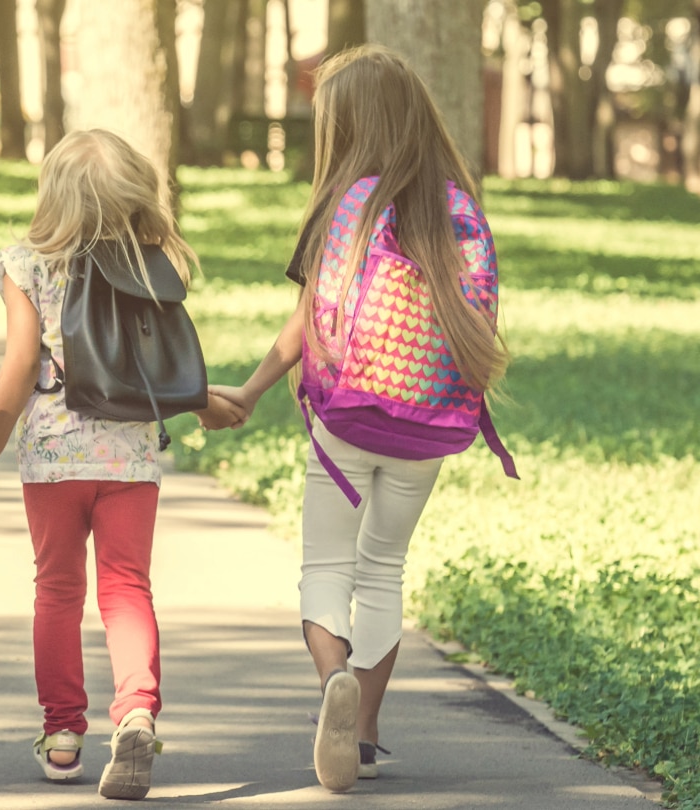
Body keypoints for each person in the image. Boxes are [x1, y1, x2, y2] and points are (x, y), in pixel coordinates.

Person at [210, 46, 511, 793]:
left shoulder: (348, 204)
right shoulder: (456, 205)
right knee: (384, 569)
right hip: (429, 422)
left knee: (326, 565)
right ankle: (367, 731)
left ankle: (333, 678)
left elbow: (305, 321)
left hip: (347, 417)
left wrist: (248, 392)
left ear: (348, 126)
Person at [0, 129, 245, 800]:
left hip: (55, 459)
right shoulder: (150, 265)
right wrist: (199, 405)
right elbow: (153, 359)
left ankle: (62, 736)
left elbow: (23, 364)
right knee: (126, 589)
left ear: (54, 193)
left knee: (57, 590)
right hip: (131, 455)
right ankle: (136, 711)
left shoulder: (24, 264)